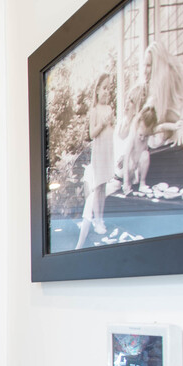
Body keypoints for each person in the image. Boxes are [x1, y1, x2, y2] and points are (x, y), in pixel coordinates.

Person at [76, 73, 116, 249]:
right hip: (99, 150)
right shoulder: (95, 111)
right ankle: (97, 219)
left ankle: (101, 217)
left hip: (109, 148)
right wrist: (103, 123)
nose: (107, 91)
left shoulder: (109, 108)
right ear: (98, 90)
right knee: (98, 186)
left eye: (109, 87)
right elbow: (92, 133)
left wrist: (111, 122)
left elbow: (113, 130)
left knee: (104, 185)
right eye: (104, 87)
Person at [139, 41, 183, 148]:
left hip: (179, 139)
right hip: (163, 142)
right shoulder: (149, 90)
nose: (144, 70)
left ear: (158, 65)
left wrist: (182, 122)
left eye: (148, 65)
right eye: (144, 65)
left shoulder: (171, 78)